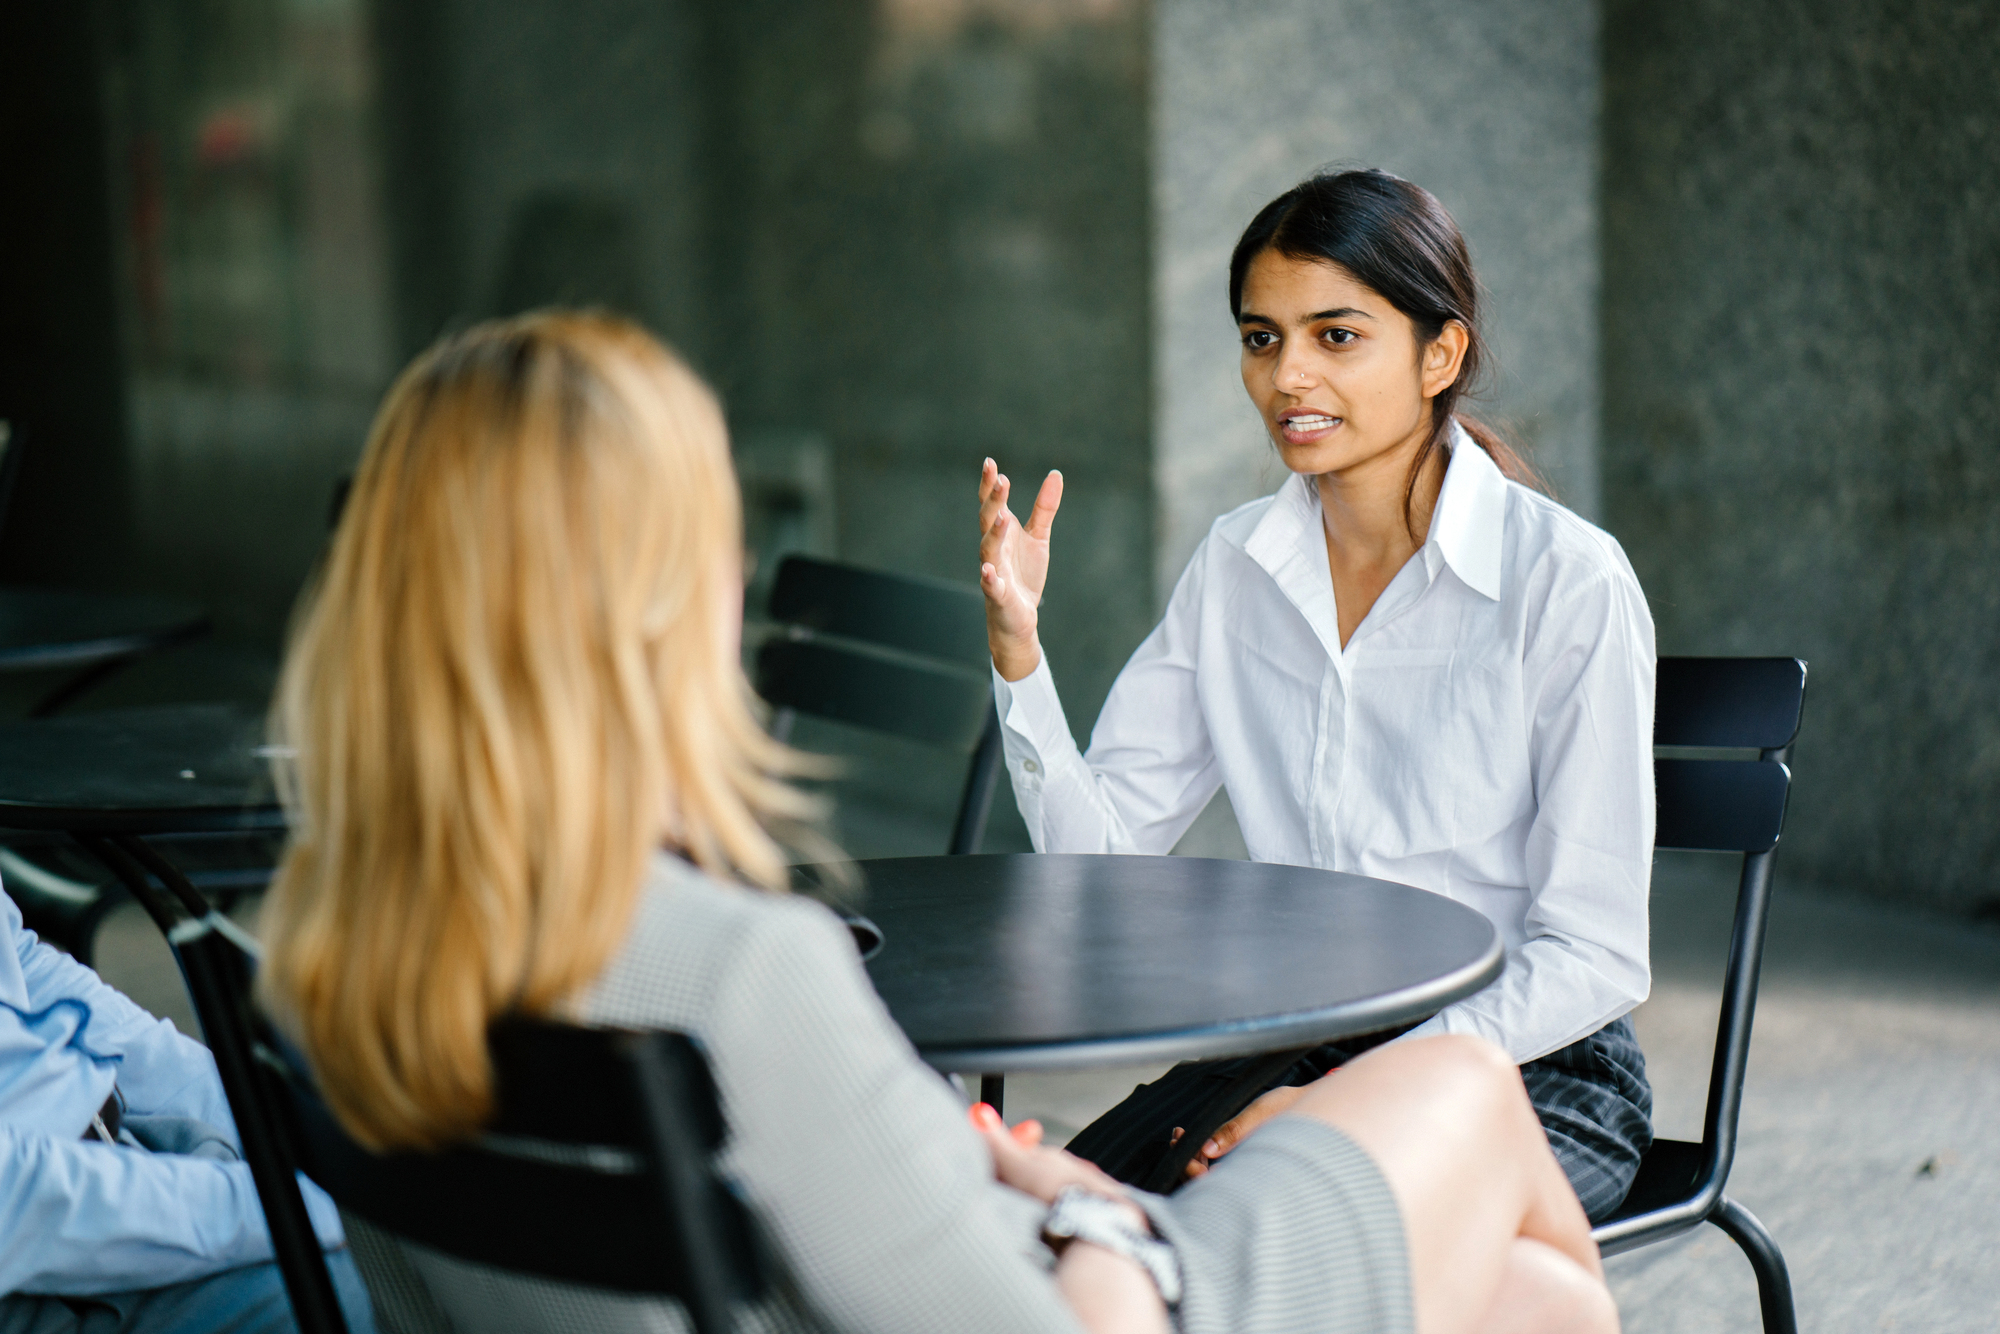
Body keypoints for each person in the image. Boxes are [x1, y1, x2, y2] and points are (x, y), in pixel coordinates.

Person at [256, 310, 1618, 1334]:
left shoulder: (322, 948)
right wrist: (1093, 1213)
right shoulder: (738, 970)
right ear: (659, 607)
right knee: (1479, 1117)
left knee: (1527, 1291)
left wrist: (945, 1169)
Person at [976, 168, 1655, 1222]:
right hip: (1295, 1041)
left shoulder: (1564, 581)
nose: (1288, 374)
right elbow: (1101, 862)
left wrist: (1338, 1099)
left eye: (1335, 335)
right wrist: (1020, 651)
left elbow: (1593, 955)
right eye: (1260, 337)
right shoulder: (1236, 567)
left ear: (1440, 353)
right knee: (1042, 1227)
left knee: (1256, 1243)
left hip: (1522, 1070)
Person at [0, 890, 376, 1332]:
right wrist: (291, 1208)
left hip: (96, 1148)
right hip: (30, 1232)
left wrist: (254, 1111)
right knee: (317, 1288)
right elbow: (16, 1196)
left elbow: (18, 960)